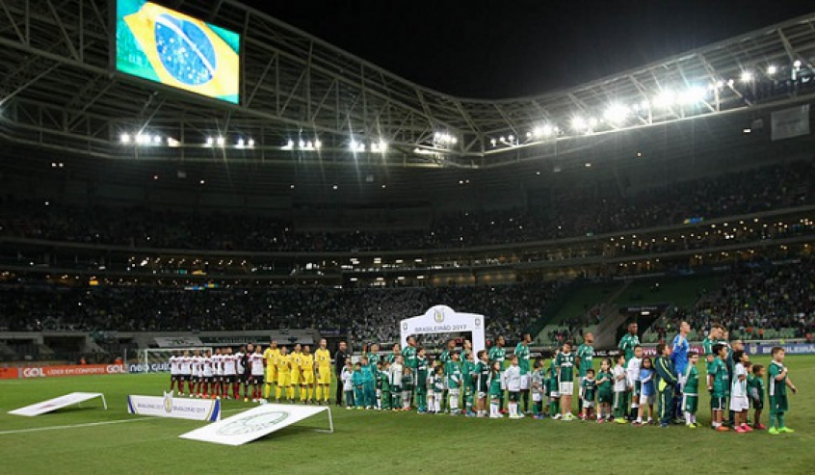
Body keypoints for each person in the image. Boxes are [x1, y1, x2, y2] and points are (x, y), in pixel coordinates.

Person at [768, 346, 798, 435]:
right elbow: (778, 378)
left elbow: (785, 379)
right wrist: (784, 372)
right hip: (774, 392)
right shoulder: (772, 366)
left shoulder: (781, 366)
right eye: (781, 354)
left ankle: (781, 427)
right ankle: (772, 427)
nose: (783, 356)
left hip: (781, 391)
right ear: (774, 355)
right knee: (774, 409)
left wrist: (792, 387)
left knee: (781, 409)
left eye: (783, 354)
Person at [654, 342, 678, 428]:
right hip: (663, 385)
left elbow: (673, 371)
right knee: (664, 403)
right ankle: (662, 420)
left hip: (670, 385)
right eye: (668, 348)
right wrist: (673, 380)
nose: (670, 350)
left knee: (669, 403)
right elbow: (664, 373)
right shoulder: (660, 360)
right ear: (663, 351)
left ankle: (668, 419)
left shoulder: (668, 360)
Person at [670, 321, 691, 421]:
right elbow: (673, 354)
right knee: (679, 392)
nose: (689, 327)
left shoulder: (684, 339)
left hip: (684, 369)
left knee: (682, 392)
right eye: (686, 325)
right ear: (681, 328)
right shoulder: (679, 339)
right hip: (679, 370)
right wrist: (677, 367)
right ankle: (675, 414)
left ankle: (678, 413)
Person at [708, 344, 730, 432]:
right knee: (720, 406)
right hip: (719, 387)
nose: (726, 352)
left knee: (716, 406)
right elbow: (712, 374)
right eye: (724, 350)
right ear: (719, 351)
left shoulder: (721, 361)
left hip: (722, 387)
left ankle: (714, 423)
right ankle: (718, 424)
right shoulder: (717, 361)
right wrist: (711, 386)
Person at [730, 350, 751, 433]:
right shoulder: (738, 366)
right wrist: (747, 372)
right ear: (740, 358)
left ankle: (743, 423)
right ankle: (736, 425)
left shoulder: (742, 366)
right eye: (745, 354)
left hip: (742, 392)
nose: (747, 355)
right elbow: (741, 378)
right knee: (738, 410)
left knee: (745, 408)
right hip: (737, 392)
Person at [555, 341, 576, 421]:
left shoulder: (572, 356)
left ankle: (568, 413)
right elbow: (557, 368)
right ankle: (563, 414)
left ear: (570, 348)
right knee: (564, 395)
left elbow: (572, 366)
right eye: (564, 346)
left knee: (569, 395)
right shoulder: (559, 355)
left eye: (567, 347)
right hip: (563, 379)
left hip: (570, 378)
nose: (565, 348)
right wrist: (560, 377)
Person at [575, 332, 594, 417]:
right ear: (586, 338)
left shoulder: (591, 348)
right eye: (591, 336)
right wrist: (581, 369)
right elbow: (577, 360)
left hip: (590, 373)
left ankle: (588, 410)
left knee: (590, 390)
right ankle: (580, 411)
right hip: (583, 373)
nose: (592, 337)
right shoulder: (581, 348)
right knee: (582, 391)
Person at [634, 357, 655, 425]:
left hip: (652, 390)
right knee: (641, 405)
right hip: (644, 391)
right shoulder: (642, 371)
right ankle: (639, 418)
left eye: (648, 362)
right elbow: (642, 381)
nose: (647, 364)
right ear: (643, 363)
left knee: (650, 405)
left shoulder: (653, 370)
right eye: (645, 362)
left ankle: (650, 418)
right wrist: (649, 377)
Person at [682, 351, 701, 428]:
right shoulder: (688, 367)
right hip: (688, 391)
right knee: (688, 407)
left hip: (694, 390)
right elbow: (684, 379)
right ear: (689, 358)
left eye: (697, 357)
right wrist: (683, 389)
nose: (697, 359)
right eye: (695, 357)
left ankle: (694, 421)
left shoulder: (694, 367)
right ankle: (688, 421)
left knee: (693, 407)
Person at [515, 333, 533, 414]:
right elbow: (515, 357)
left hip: (528, 371)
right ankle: (517, 409)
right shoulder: (519, 347)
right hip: (522, 372)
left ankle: (526, 409)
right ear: (525, 338)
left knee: (527, 390)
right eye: (529, 336)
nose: (530, 338)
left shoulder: (527, 347)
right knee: (521, 390)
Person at [489, 336, 507, 413]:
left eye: (503, 339)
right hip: (495, 372)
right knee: (496, 390)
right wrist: (493, 370)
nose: (503, 341)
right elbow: (490, 361)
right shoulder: (493, 350)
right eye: (501, 339)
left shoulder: (503, 350)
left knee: (502, 390)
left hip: (502, 371)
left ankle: (501, 408)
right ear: (497, 341)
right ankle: (494, 409)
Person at [625, 345, 643, 420]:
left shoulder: (643, 360)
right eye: (637, 351)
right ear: (634, 352)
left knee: (639, 398)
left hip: (641, 381)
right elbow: (629, 372)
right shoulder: (632, 361)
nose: (639, 352)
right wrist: (631, 383)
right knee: (635, 397)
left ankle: (637, 413)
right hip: (635, 381)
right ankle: (633, 414)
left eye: (640, 351)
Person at [748, 364, 766, 430]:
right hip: (758, 398)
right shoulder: (756, 380)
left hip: (761, 398)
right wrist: (756, 397)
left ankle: (757, 423)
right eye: (762, 371)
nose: (763, 372)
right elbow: (754, 390)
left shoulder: (760, 379)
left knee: (760, 410)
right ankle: (756, 423)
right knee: (758, 410)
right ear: (756, 372)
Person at [315, 339, 332, 405]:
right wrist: (317, 372)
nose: (324, 343)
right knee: (320, 384)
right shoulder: (317, 352)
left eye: (325, 342)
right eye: (323, 342)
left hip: (327, 369)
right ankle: (318, 399)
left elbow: (329, 362)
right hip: (321, 369)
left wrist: (330, 371)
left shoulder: (327, 351)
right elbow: (316, 362)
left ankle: (326, 399)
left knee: (327, 384)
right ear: (320, 343)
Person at [446, 351, 463, 416]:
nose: (457, 355)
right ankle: (452, 409)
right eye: (456, 354)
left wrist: (461, 380)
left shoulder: (458, 363)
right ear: (452, 356)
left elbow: (460, 372)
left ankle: (455, 408)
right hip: (452, 381)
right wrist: (457, 380)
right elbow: (451, 373)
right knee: (453, 395)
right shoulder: (450, 363)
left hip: (458, 381)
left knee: (456, 395)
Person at [505, 355, 522, 419]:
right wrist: (506, 385)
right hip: (511, 386)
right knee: (511, 400)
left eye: (517, 360)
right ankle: (511, 413)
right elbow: (506, 377)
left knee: (515, 400)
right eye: (515, 360)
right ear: (511, 361)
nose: (516, 361)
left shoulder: (518, 368)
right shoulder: (509, 369)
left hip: (517, 387)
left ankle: (515, 413)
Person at [613, 354, 628, 423]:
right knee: (617, 403)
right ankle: (617, 417)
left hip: (623, 389)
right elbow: (618, 378)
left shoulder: (622, 368)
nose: (624, 360)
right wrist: (625, 374)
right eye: (623, 358)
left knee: (622, 403)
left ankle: (621, 416)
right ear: (619, 360)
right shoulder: (616, 368)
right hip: (618, 389)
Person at [475, 349, 490, 418]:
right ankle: (479, 411)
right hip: (481, 383)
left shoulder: (488, 364)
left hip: (486, 383)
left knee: (485, 396)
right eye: (485, 354)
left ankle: (484, 410)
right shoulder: (479, 364)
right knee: (480, 397)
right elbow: (475, 373)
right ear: (481, 357)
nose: (487, 356)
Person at [334, 341, 349, 406]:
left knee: (345, 386)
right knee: (339, 387)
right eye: (342, 345)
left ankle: (344, 400)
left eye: (344, 345)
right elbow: (336, 364)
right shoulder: (338, 354)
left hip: (346, 372)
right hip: (340, 373)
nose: (343, 346)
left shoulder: (345, 353)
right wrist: (337, 373)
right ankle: (338, 401)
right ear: (340, 346)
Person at [462, 350, 477, 416]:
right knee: (469, 396)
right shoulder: (466, 363)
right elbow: (465, 374)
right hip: (468, 383)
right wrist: (470, 379)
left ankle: (470, 409)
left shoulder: (473, 363)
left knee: (471, 396)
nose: (473, 355)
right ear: (468, 356)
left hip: (473, 383)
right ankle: (468, 412)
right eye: (471, 354)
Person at [415, 347, 429, 414]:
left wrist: (428, 378)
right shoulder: (416, 360)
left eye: (424, 350)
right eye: (422, 351)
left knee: (424, 392)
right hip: (419, 379)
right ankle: (419, 407)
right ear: (418, 352)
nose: (424, 352)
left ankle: (424, 405)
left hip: (425, 378)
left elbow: (427, 368)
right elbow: (414, 370)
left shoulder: (425, 359)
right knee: (420, 393)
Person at [548, 348, 561, 419]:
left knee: (558, 397)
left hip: (558, 382)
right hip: (554, 382)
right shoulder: (554, 362)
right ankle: (552, 413)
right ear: (554, 355)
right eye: (557, 354)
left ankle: (557, 412)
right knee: (553, 397)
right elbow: (556, 373)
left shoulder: (559, 362)